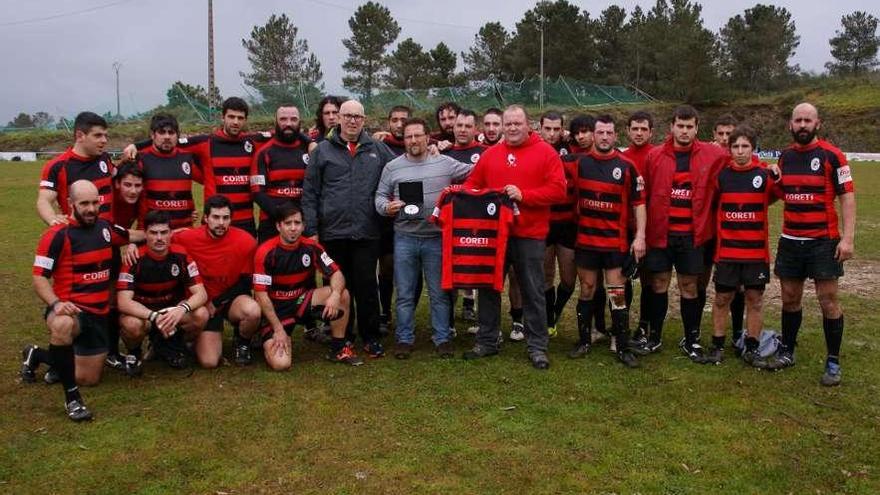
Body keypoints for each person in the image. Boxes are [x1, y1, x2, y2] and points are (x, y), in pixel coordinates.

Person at [461, 105, 567, 369]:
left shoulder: (546, 152)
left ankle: (537, 346)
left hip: (529, 234)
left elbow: (558, 191)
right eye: (507, 124)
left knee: (533, 290)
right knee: (489, 287)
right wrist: (470, 198)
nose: (511, 128)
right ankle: (487, 340)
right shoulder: (491, 155)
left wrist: (525, 195)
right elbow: (471, 185)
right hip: (495, 235)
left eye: (516, 123)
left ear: (527, 124)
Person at [21, 181, 134, 421]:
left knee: (88, 378)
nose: (91, 208)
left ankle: (37, 355)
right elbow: (39, 279)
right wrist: (56, 304)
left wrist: (170, 232)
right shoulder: (56, 235)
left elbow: (133, 235)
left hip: (99, 313)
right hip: (71, 310)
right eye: (84, 204)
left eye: (95, 202)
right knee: (62, 323)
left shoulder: (105, 228)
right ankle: (73, 399)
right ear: (71, 204)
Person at [303, 99, 397, 358]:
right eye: (348, 116)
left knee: (367, 286)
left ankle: (371, 336)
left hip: (367, 231)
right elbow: (310, 193)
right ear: (339, 119)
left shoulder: (377, 149)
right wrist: (311, 229)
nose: (353, 120)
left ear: (364, 120)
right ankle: (342, 337)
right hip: (332, 232)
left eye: (358, 116)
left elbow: (401, 168)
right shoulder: (322, 151)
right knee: (339, 288)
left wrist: (431, 151)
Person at [770, 102, 855, 386]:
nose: (802, 125)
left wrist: (848, 237)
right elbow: (781, 192)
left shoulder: (833, 156)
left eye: (808, 120)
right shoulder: (785, 157)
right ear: (790, 125)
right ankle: (787, 351)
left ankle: (832, 361)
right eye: (798, 120)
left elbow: (847, 197)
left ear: (817, 124)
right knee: (790, 298)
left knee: (828, 300)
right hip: (791, 239)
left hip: (823, 241)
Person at [376, 117, 474, 359]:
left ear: (427, 137)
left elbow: (476, 170)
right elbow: (379, 197)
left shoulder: (444, 163)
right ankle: (404, 339)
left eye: (417, 135)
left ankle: (442, 338)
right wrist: (387, 207)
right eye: (408, 136)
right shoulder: (393, 167)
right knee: (405, 292)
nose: (413, 140)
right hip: (405, 238)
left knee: (439, 292)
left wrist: (496, 145)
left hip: (436, 238)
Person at [641, 105, 728, 361]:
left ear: (697, 129)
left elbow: (739, 162)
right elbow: (644, 195)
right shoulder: (655, 156)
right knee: (658, 284)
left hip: (693, 236)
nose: (685, 131)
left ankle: (691, 339)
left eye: (690, 127)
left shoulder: (713, 155)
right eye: (680, 126)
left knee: (689, 286)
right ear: (672, 127)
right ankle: (654, 337)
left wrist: (769, 171)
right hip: (661, 234)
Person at [124, 97, 271, 237]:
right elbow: (168, 141)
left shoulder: (253, 141)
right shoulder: (206, 142)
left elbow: (281, 135)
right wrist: (136, 146)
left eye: (240, 118)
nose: (235, 122)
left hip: (246, 220)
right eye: (231, 117)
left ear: (245, 120)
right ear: (223, 117)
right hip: (214, 220)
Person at [567, 115, 647, 367]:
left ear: (615, 136)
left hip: (614, 242)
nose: (603, 137)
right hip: (586, 240)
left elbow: (639, 204)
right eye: (599, 132)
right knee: (588, 289)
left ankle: (622, 346)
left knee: (616, 293)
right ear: (593, 135)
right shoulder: (579, 164)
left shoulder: (627, 166)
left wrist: (640, 237)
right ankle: (584, 341)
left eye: (608, 133)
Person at [253, 203, 364, 369]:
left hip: (300, 302)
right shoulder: (266, 251)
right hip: (276, 309)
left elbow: (336, 274)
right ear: (278, 226)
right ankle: (265, 336)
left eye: (297, 223)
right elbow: (261, 296)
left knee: (342, 294)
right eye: (288, 223)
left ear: (303, 226)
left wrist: (334, 295)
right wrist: (278, 329)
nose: (293, 228)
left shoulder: (311, 247)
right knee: (281, 364)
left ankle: (338, 348)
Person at [705, 126, 776, 366]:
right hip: (727, 252)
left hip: (756, 253)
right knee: (722, 298)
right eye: (735, 146)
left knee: (754, 299)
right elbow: (711, 205)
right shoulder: (722, 176)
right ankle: (717, 346)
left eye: (745, 146)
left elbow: (781, 193)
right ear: (730, 149)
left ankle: (752, 348)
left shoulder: (764, 175)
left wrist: (777, 175)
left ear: (753, 148)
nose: (740, 151)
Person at [117, 210, 209, 373]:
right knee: (131, 324)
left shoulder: (181, 255)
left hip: (170, 312)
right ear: (145, 234)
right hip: (144, 314)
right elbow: (123, 302)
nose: (159, 238)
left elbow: (201, 294)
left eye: (164, 232)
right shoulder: (134, 258)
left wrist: (181, 309)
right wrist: (153, 316)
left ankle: (169, 346)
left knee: (201, 314)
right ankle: (134, 353)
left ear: (171, 234)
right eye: (153, 233)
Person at [173, 195, 261, 367]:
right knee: (209, 362)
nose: (221, 223)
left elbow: (246, 282)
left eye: (225, 218)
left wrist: (217, 302)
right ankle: (183, 341)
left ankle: (242, 342)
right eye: (216, 217)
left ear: (231, 219)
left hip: (229, 299)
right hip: (201, 303)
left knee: (253, 311)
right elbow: (159, 240)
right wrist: (132, 245)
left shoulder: (246, 241)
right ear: (206, 218)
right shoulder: (186, 238)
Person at [441, 109, 488, 327]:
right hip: (450, 223)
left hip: (476, 222)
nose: (462, 130)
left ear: (475, 129)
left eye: (467, 126)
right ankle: (447, 317)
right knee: (449, 270)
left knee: (475, 268)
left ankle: (472, 306)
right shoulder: (443, 153)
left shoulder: (486, 153)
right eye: (459, 125)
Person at [707, 114, 746, 347]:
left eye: (728, 134)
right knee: (704, 280)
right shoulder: (709, 157)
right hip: (707, 230)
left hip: (733, 234)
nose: (724, 139)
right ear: (713, 134)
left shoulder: (744, 160)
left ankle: (738, 331)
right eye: (720, 134)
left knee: (739, 285)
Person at [37, 112, 115, 225]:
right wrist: (52, 219)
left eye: (105, 135)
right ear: (80, 136)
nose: (104, 140)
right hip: (79, 238)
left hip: (106, 236)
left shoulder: (105, 159)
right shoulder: (58, 166)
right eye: (98, 135)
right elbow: (44, 200)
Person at [250, 104, 313, 243]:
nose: (288, 123)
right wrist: (283, 218)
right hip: (272, 224)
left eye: (293, 119)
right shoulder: (264, 152)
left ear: (300, 122)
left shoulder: (309, 150)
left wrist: (299, 221)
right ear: (276, 122)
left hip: (303, 224)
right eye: (283, 119)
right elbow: (257, 193)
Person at [621, 110, 656, 348]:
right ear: (628, 131)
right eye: (635, 128)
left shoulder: (657, 155)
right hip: (623, 228)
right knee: (622, 277)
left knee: (648, 280)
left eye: (644, 129)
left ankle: (644, 324)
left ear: (651, 132)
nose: (639, 133)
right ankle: (621, 322)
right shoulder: (621, 157)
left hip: (650, 229)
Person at [544, 112, 579, 339]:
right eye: (547, 128)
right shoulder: (535, 147)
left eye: (557, 129)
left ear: (563, 129)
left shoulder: (573, 147)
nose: (552, 133)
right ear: (540, 129)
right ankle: (548, 320)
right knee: (546, 275)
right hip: (545, 223)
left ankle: (555, 310)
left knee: (568, 279)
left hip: (568, 224)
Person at [135, 113, 198, 230]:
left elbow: (207, 179)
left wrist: (190, 208)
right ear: (152, 135)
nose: (167, 137)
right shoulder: (141, 159)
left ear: (177, 135)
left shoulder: (187, 157)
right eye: (162, 132)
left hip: (185, 231)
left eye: (171, 132)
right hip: (155, 234)